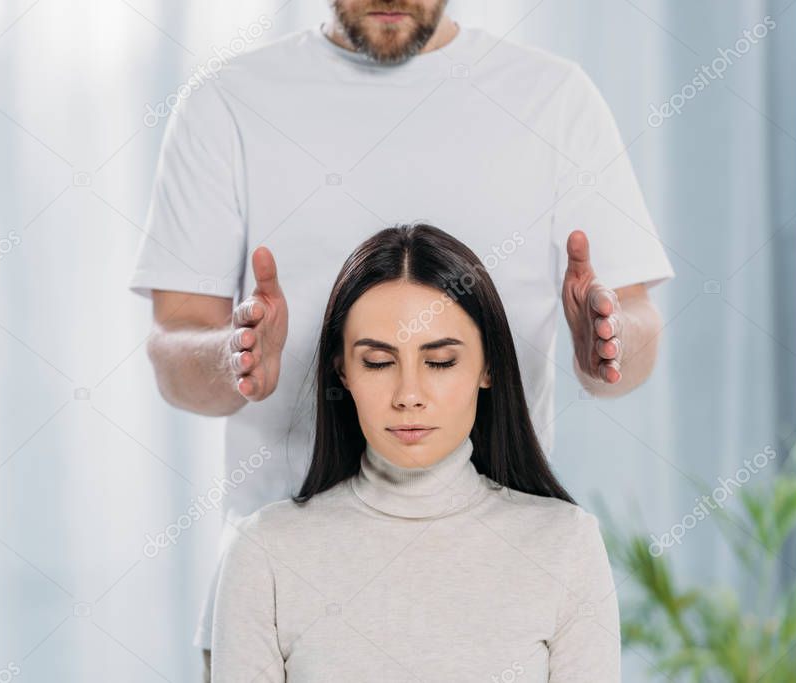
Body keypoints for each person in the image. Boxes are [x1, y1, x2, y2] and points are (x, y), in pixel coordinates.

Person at [128, 1, 674, 677]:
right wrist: (231, 358)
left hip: (501, 597)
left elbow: (634, 325)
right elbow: (174, 343)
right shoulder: (227, 103)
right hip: (287, 607)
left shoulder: (553, 100)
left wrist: (607, 345)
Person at [210, 223, 621, 681]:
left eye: (441, 362)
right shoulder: (265, 552)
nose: (409, 395)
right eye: (378, 362)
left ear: (488, 367)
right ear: (342, 371)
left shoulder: (565, 544)